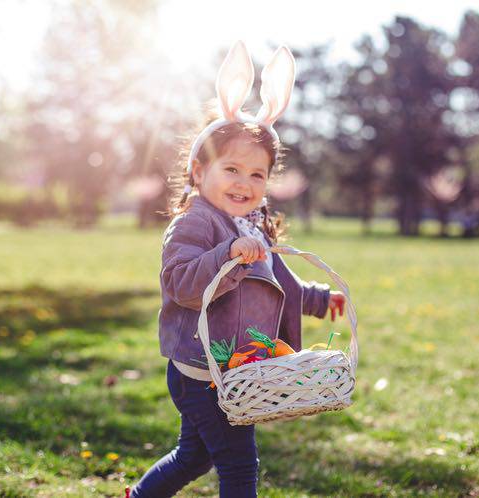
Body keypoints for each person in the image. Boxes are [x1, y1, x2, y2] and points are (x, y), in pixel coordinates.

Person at [127, 41, 346, 498]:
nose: (244, 183)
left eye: (257, 174)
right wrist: (228, 254)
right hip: (201, 369)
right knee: (239, 465)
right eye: (231, 169)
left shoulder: (255, 226)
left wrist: (320, 299)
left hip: (238, 366)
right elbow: (182, 284)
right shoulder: (195, 222)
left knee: (195, 455)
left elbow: (276, 283)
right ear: (198, 170)